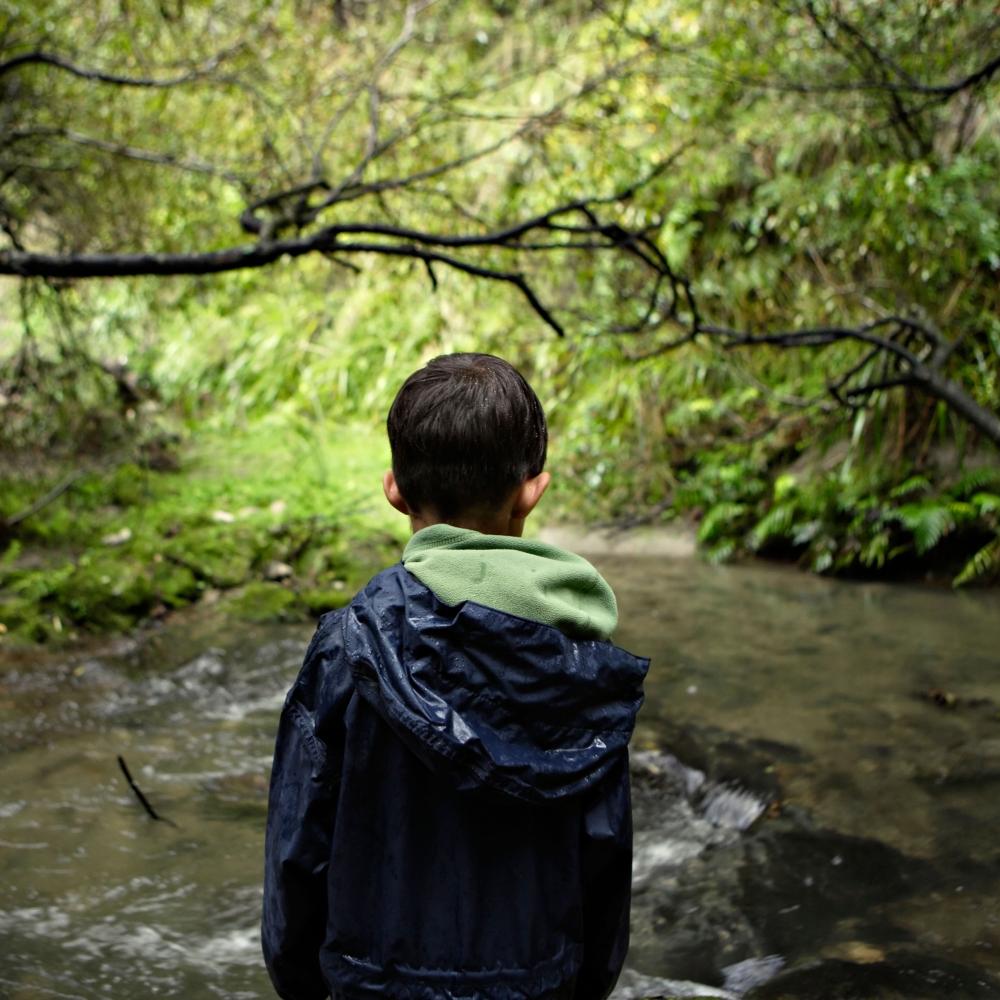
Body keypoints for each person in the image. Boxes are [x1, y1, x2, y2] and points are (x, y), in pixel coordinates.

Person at [261, 352, 649, 1000]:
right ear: (533, 488)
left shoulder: (346, 648)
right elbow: (605, 864)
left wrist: (306, 985)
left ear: (394, 491)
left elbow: (297, 855)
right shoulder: (581, 659)